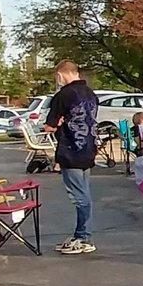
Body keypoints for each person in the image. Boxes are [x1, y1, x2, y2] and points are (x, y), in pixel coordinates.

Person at [43, 61, 99, 255]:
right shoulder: (91, 94)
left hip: (70, 149)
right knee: (84, 192)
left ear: (60, 75)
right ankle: (79, 234)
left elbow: (49, 126)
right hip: (88, 147)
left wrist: (58, 122)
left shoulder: (63, 95)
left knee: (79, 196)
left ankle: (84, 236)